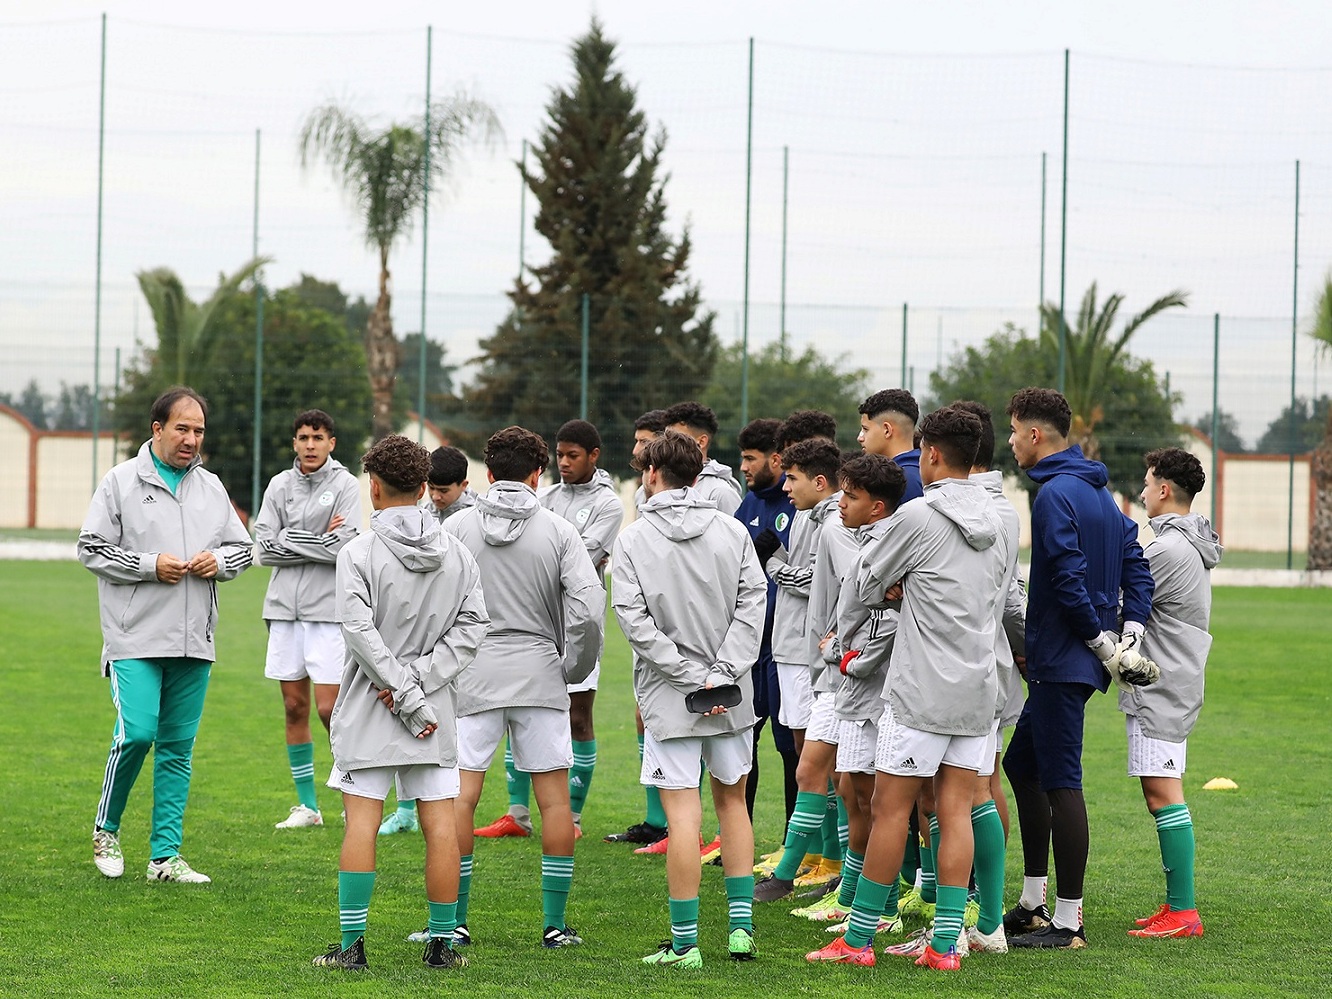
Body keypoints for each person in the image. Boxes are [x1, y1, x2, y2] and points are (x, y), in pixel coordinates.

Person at [808, 406, 1011, 970]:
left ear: (932, 454)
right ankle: (945, 946)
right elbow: (999, 596)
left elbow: (863, 582)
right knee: (956, 810)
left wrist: (891, 590)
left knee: (891, 810)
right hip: (978, 688)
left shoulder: (918, 515)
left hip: (920, 690)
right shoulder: (1000, 516)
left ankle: (857, 941)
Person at [312, 435, 489, 972]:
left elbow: (358, 632)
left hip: (374, 701)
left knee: (361, 823)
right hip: (431, 710)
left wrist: (402, 687)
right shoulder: (458, 553)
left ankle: (352, 948)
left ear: (374, 488)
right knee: (440, 825)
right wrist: (420, 684)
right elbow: (472, 627)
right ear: (423, 487)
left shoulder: (357, 552)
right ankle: (441, 947)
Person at [1001, 387, 1154, 950]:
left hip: (1065, 658)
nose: (1010, 442)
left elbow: (1067, 578)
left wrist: (1100, 641)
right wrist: (1129, 631)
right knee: (1022, 765)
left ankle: (1068, 923)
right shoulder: (1099, 493)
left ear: (1034, 434)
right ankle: (1033, 904)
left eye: (1013, 431)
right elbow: (1136, 564)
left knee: (1062, 782)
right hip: (1079, 655)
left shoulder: (1054, 495)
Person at [81, 386, 252, 884]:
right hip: (134, 637)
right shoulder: (120, 482)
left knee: (178, 749)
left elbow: (244, 549)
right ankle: (106, 829)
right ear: (157, 429)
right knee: (136, 734)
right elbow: (91, 548)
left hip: (195, 640)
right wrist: (149, 565)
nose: (191, 439)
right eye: (182, 428)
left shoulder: (211, 487)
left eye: (199, 430)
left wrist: (219, 561)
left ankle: (164, 858)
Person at [611, 431, 767, 968]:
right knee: (732, 805)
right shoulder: (732, 530)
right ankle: (740, 931)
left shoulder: (633, 538)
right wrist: (718, 674)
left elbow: (633, 621)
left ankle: (685, 945)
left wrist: (693, 677)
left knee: (683, 816)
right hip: (727, 692)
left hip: (673, 695)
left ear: (652, 474)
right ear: (697, 476)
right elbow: (754, 606)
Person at [445, 426, 605, 949]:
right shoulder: (560, 530)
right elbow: (589, 608)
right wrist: (573, 667)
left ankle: (452, 923)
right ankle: (555, 925)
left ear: (488, 473)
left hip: (473, 671)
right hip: (540, 671)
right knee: (554, 803)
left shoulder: (457, 526)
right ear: (538, 474)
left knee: (460, 798)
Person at [793, 452, 904, 925]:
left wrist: (846, 658)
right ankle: (853, 897)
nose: (841, 502)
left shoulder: (888, 548)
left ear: (876, 507)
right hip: (854, 690)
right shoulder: (859, 541)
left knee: (883, 801)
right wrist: (839, 649)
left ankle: (885, 906)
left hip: (876, 692)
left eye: (851, 496)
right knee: (855, 792)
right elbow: (856, 615)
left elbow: (889, 622)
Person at [1121, 447, 1220, 940]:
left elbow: (1125, 602)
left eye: (1146, 483)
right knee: (1160, 790)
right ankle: (1176, 905)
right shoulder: (1187, 542)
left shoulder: (1167, 550)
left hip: (1162, 685)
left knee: (1163, 793)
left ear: (1163, 489)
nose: (1142, 492)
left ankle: (1183, 911)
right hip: (1174, 680)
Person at [254, 409, 362, 830]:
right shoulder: (279, 485)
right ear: (294, 443)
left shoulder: (346, 485)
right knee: (293, 707)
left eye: (318, 438)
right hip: (283, 610)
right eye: (303, 437)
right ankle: (308, 807)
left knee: (330, 709)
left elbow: (344, 548)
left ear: (331, 443)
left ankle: (355, 795)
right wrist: (318, 538)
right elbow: (264, 549)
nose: (310, 445)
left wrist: (289, 536)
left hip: (328, 613)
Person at [753, 436, 848, 903]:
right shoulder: (810, 516)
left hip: (820, 658)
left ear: (820, 480)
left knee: (826, 766)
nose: (785, 487)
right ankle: (819, 859)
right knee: (807, 755)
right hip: (796, 649)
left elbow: (814, 579)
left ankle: (831, 863)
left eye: (791, 478)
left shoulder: (834, 521)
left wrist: (772, 562)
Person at [951, 399, 1026, 956]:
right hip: (989, 665)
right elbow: (1012, 598)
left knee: (970, 789)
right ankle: (985, 914)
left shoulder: (975, 510)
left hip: (964, 671)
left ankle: (976, 910)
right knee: (981, 783)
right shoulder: (1004, 510)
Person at [381, 444, 477, 838]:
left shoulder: (471, 524)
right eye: (432, 489)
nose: (436, 497)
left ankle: (507, 809)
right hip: (417, 645)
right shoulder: (419, 517)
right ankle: (406, 810)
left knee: (451, 732)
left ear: (464, 486)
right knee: (409, 725)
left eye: (444, 490)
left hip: (455, 645)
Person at [607, 409, 674, 847]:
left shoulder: (707, 492)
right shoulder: (641, 492)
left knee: (682, 725)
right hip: (650, 624)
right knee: (643, 715)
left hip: (682, 628)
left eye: (645, 441)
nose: (636, 449)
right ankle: (656, 819)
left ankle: (677, 823)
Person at [734, 418, 799, 865]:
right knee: (742, 741)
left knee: (791, 747)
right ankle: (738, 836)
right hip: (750, 645)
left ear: (775, 459)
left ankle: (794, 847)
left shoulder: (798, 504)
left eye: (749, 459)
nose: (743, 467)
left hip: (786, 647)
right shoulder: (749, 503)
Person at [662, 401, 742, 516]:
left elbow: (733, 527)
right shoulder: (660, 482)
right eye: (666, 438)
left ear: (701, 441)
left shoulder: (721, 492)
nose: (667, 444)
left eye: (677, 438)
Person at [857, 388, 922, 502]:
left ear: (887, 430)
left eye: (865, 429)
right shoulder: (920, 471)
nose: (860, 438)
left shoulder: (902, 482)